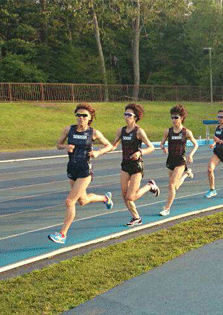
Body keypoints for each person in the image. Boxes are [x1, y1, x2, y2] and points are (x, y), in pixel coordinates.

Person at [48, 103, 113, 244]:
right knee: (82, 201)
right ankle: (105, 198)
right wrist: (65, 146)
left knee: (70, 201)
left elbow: (109, 146)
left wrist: (98, 152)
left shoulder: (93, 133)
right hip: (72, 168)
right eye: (78, 115)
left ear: (90, 118)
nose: (81, 118)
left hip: (85, 171)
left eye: (84, 115)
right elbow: (58, 144)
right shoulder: (68, 130)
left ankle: (62, 235)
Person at [111, 103, 160, 226]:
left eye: (129, 115)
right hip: (125, 165)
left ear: (135, 117)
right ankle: (136, 218)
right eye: (125, 114)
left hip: (136, 166)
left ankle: (149, 186)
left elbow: (151, 147)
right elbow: (113, 145)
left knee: (130, 197)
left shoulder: (139, 131)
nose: (126, 116)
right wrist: (100, 149)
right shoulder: (121, 131)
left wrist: (140, 152)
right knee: (124, 195)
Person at [159, 104, 199, 216]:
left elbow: (196, 144)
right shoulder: (168, 131)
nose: (173, 120)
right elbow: (161, 143)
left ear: (181, 118)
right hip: (170, 160)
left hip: (180, 161)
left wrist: (191, 155)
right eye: (172, 117)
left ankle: (167, 208)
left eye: (176, 117)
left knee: (171, 185)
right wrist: (163, 147)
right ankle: (186, 174)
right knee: (175, 186)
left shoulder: (186, 132)